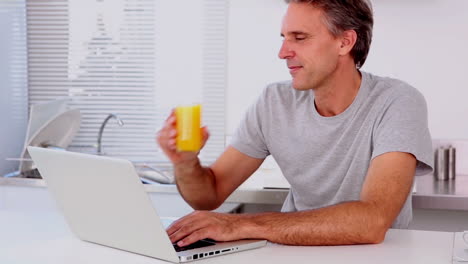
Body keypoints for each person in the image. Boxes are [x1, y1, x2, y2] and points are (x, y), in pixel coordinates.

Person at [156, 0, 433, 247]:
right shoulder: (273, 101)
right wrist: (186, 163)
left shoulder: (397, 101)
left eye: (299, 38)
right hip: (291, 252)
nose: (283, 52)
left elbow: (372, 221)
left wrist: (238, 224)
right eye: (284, 38)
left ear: (345, 42)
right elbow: (208, 196)